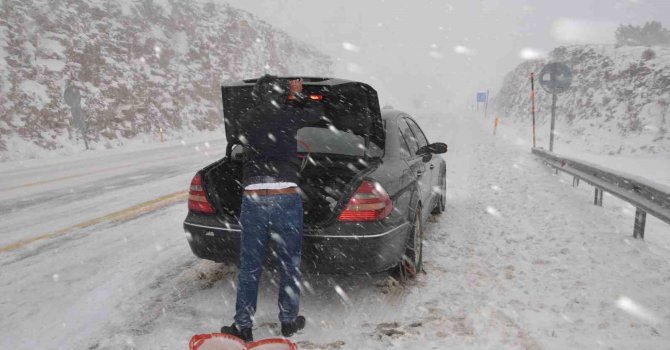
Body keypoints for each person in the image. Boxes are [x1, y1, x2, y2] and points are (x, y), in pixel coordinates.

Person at [221, 75, 322, 342]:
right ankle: (288, 322)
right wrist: (297, 95)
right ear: (281, 95)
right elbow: (317, 112)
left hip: (253, 197)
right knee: (290, 263)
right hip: (286, 196)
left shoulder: (245, 119)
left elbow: (235, 140)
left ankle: (243, 325)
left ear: (257, 95)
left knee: (250, 266)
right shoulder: (290, 115)